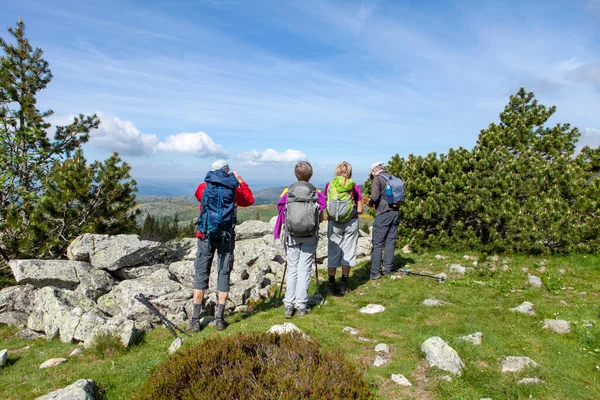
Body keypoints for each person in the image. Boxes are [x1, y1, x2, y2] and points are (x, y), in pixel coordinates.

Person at [187, 160, 254, 332]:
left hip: (205, 236)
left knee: (201, 274)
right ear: (227, 172)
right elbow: (249, 199)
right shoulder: (233, 189)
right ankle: (219, 320)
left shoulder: (203, 187)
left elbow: (198, 196)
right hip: (226, 237)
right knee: (223, 273)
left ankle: (195, 321)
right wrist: (239, 180)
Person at [274, 161, 326, 318]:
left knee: (292, 269)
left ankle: (289, 305)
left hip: (292, 236)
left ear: (296, 175)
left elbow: (282, 213)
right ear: (310, 175)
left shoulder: (288, 191)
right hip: (310, 235)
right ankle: (302, 306)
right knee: (304, 269)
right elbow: (321, 217)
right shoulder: (316, 192)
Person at [324, 161, 363, 295]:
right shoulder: (354, 186)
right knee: (348, 252)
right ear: (349, 172)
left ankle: (330, 284)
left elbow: (326, 203)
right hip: (351, 222)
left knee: (333, 252)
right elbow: (360, 210)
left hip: (333, 222)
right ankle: (344, 284)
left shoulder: (330, 185)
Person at [367, 162, 400, 279]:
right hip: (395, 212)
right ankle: (387, 269)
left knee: (377, 243)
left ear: (374, 171)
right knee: (390, 241)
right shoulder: (392, 177)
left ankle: (375, 272)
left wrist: (369, 203)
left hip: (383, 213)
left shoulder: (378, 179)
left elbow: (375, 197)